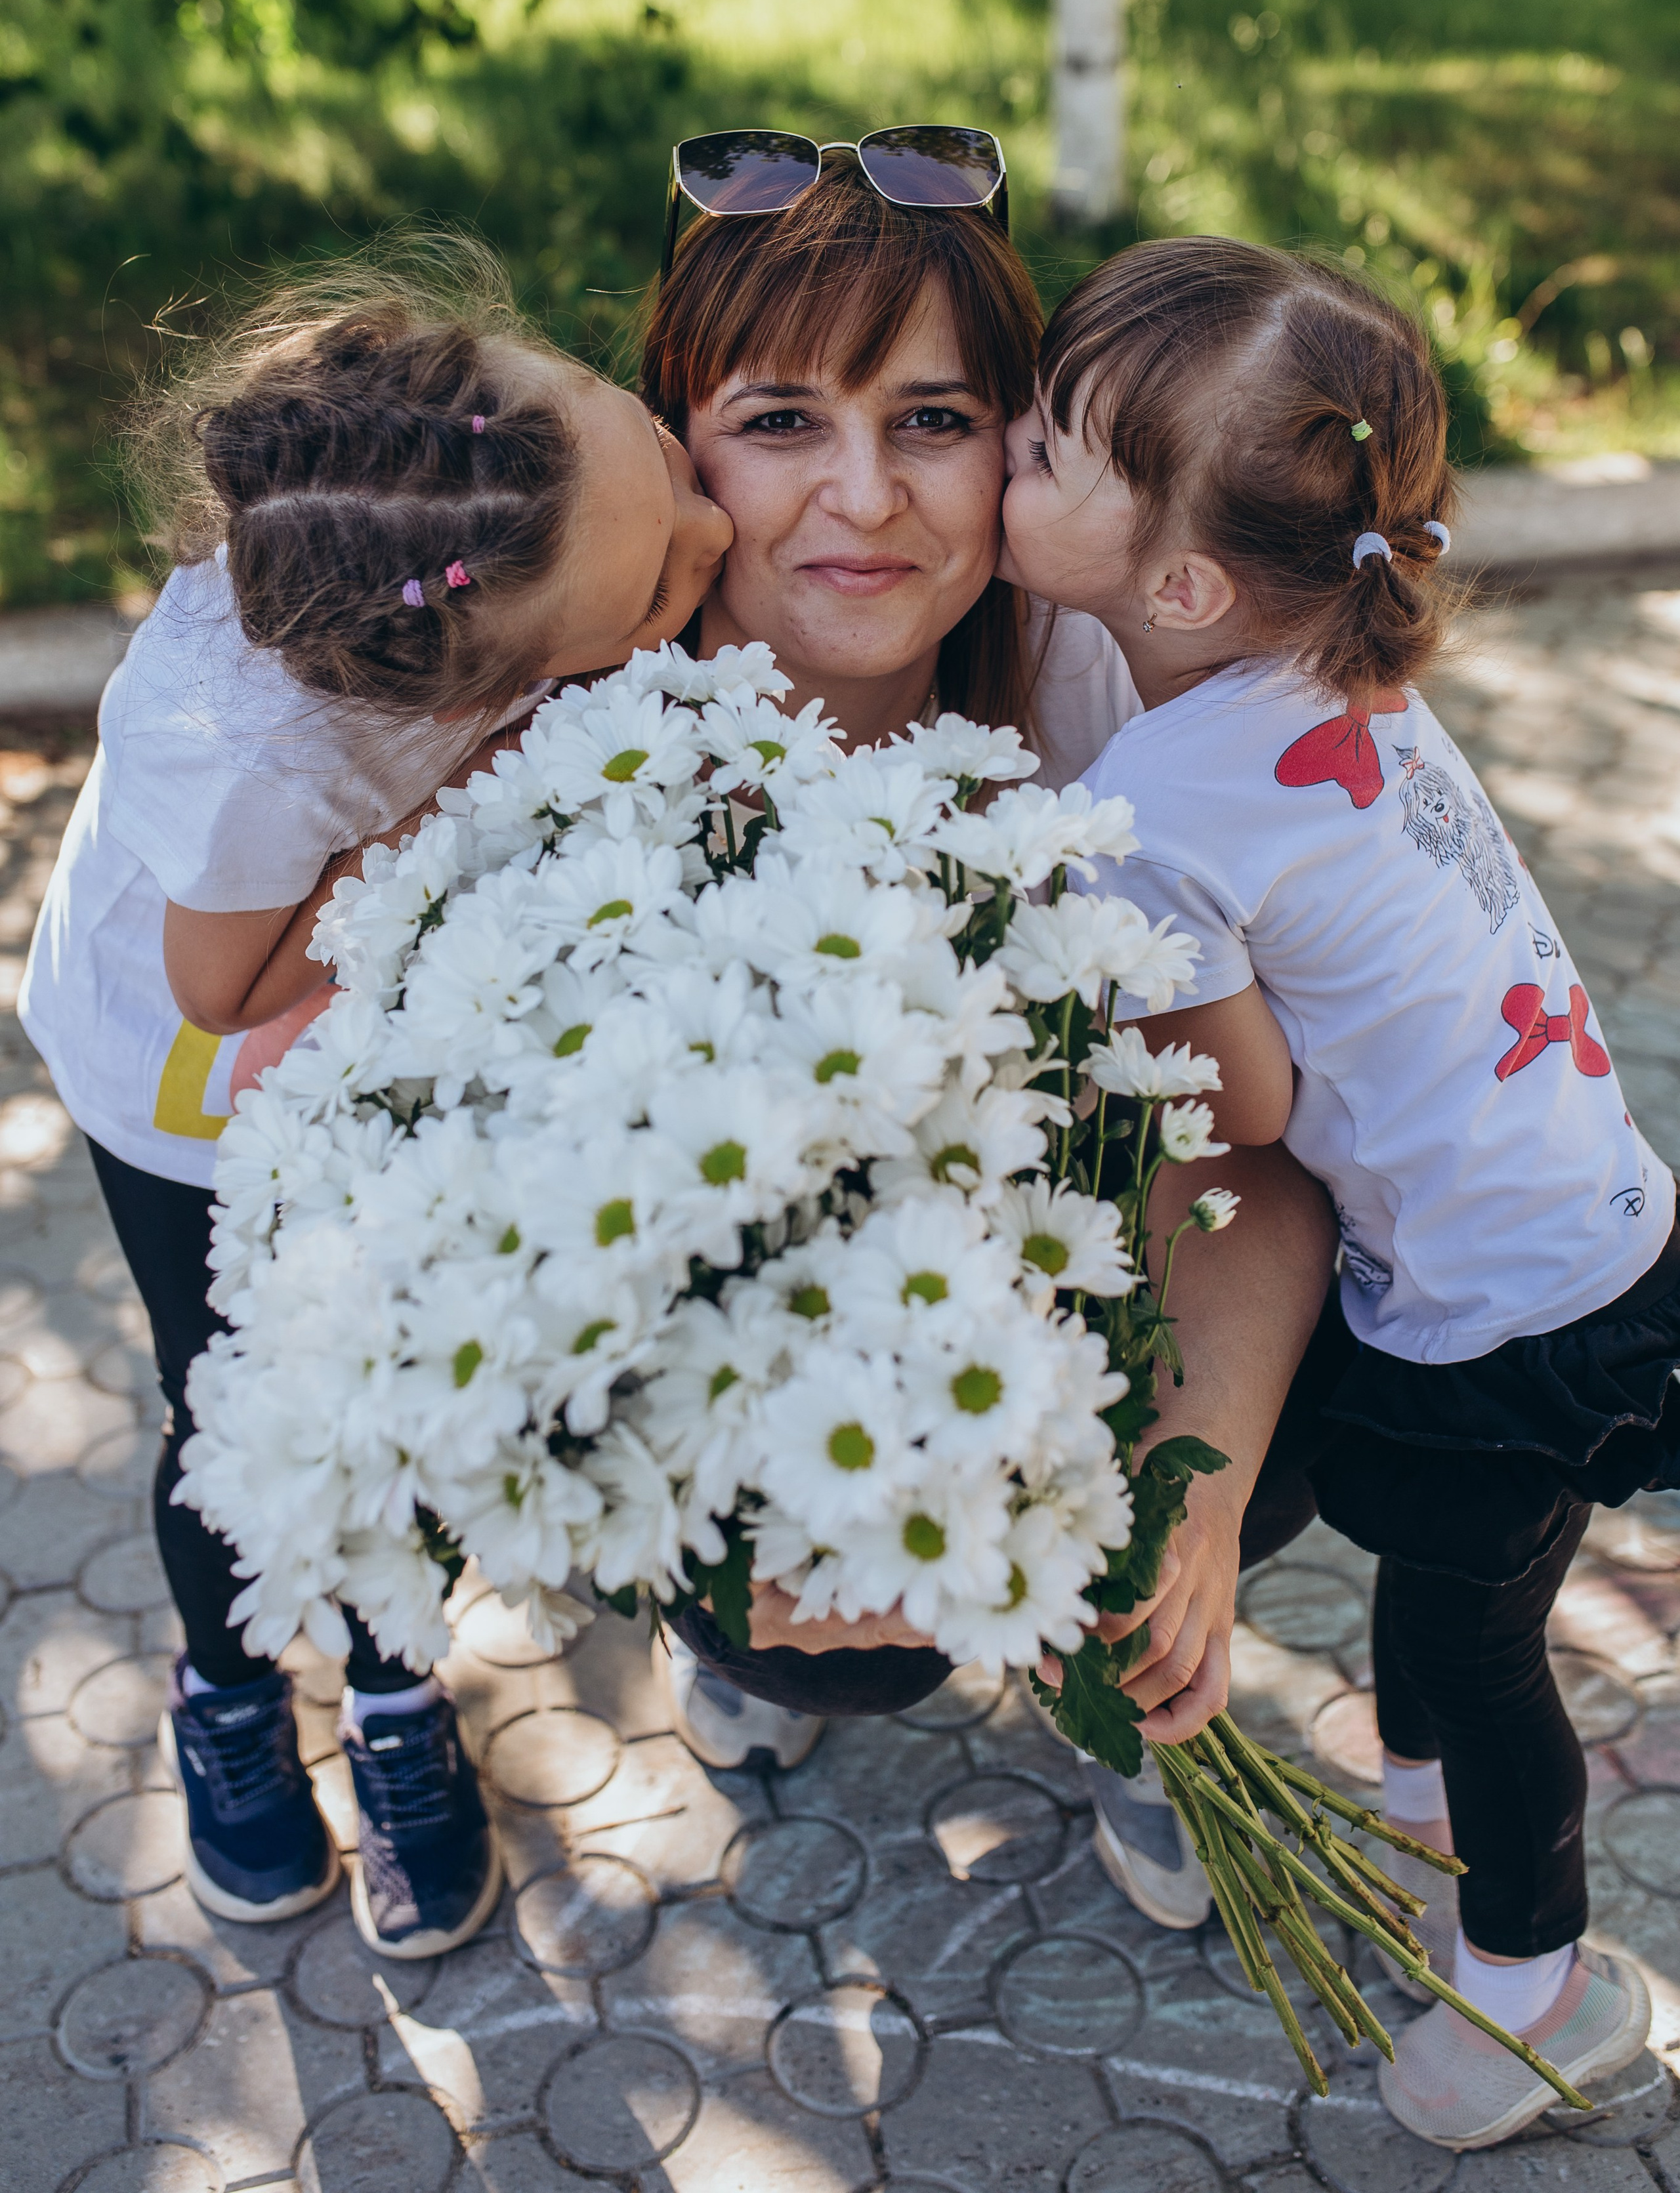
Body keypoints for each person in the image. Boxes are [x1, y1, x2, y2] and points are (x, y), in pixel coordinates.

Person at [999, 232, 1668, 2147]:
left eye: (1047, 446)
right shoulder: (1320, 657)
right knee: (1449, 1587)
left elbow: (1250, 1095)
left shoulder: (1154, 811)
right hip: (1584, 1216)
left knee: (1474, 1630)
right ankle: (1424, 1821)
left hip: (1505, 1309)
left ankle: (1530, 1989)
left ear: (1180, 578)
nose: (1012, 467)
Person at [637, 148, 1337, 1932]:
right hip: (771, 1339)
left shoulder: (1118, 685)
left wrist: (1190, 1495)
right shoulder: (598, 746)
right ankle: (732, 1644)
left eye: (933, 418)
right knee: (837, 1650)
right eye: (783, 418)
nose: (864, 500)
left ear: (1020, 445)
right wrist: (705, 1502)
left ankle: (1126, 1678)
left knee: (1299, 1431)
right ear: (677, 445)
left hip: (1055, 1287)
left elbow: (1264, 1145)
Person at [18, 237, 731, 1959]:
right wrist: (460, 813)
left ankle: (401, 1691)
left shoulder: (454, 507)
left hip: (336, 1037)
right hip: (179, 1077)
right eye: (656, 598)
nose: (707, 548)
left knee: (391, 1370)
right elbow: (229, 988)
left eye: (669, 466)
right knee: (235, 1405)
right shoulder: (292, 752)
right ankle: (231, 1695)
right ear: (476, 696)